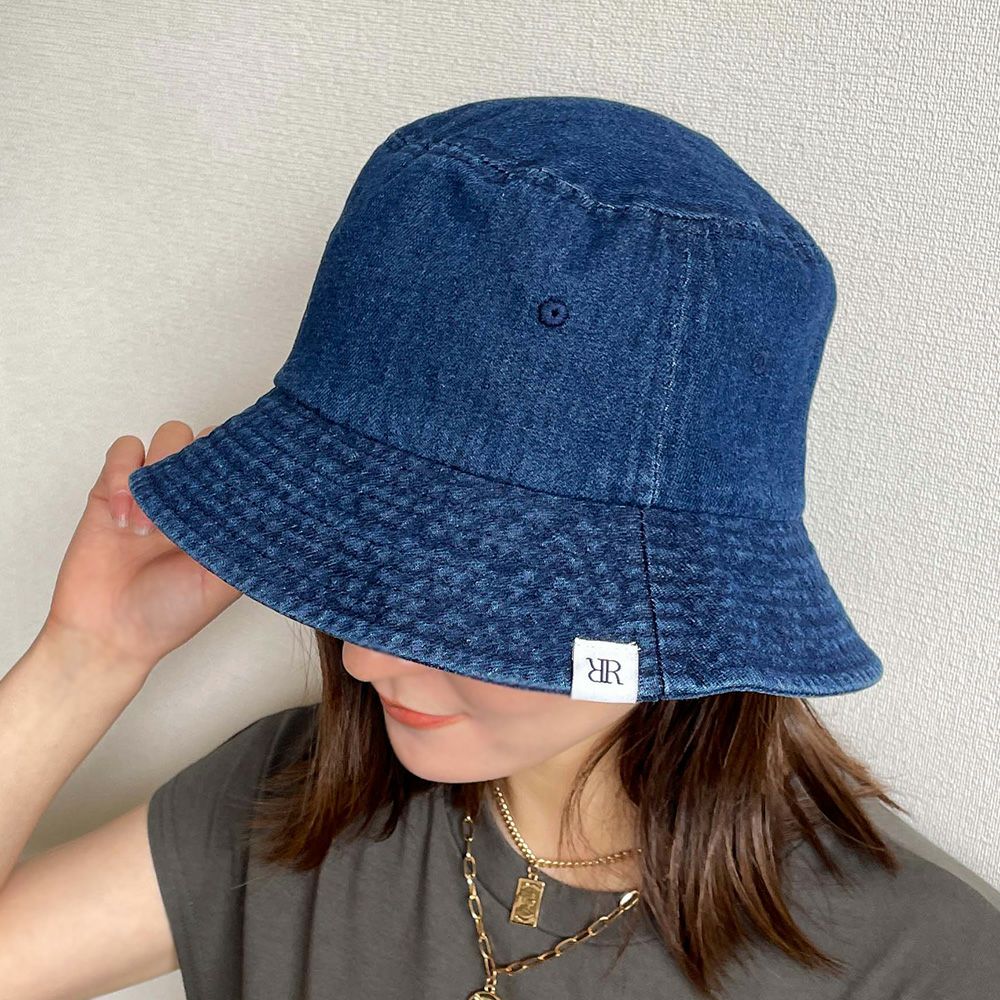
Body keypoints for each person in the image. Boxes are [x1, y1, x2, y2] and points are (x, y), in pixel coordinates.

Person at [2, 96, 998, 1000]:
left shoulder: (918, 966)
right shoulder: (291, 800)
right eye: (363, 548)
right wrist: (88, 657)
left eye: (461, 593)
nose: (364, 657)